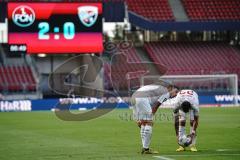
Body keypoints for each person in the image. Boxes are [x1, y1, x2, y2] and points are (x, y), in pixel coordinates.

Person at [131, 83, 177, 154]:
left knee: (143, 123)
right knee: (149, 122)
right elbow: (156, 106)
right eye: (175, 91)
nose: (176, 94)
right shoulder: (166, 92)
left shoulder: (158, 88)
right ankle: (146, 149)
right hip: (142, 98)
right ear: (170, 88)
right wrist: (151, 116)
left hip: (134, 96)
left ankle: (144, 148)